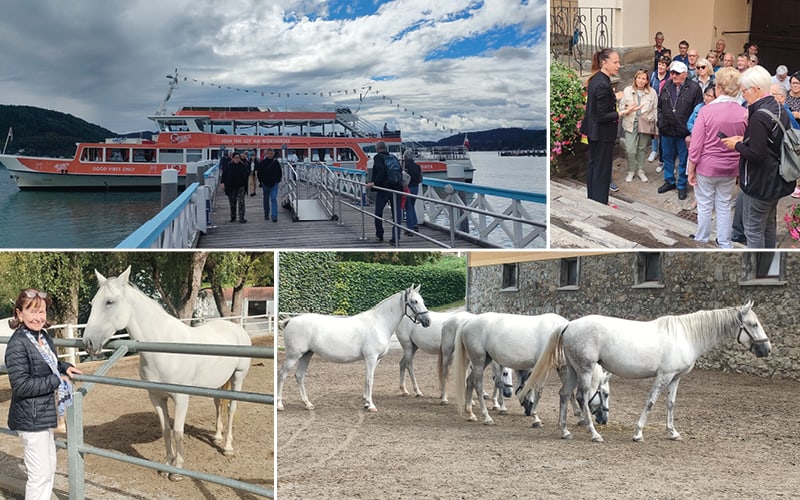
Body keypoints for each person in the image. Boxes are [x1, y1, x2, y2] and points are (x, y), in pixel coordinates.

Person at [6, 289, 81, 500]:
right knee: (39, 474)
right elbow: (21, 386)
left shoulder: (43, 337)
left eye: (42, 311)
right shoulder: (18, 344)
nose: (38, 317)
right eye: (32, 312)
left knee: (49, 469)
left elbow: (51, 364)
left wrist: (64, 367)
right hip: (30, 418)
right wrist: (57, 379)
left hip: (43, 414)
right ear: (20, 314)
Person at [722, 65, 796, 248]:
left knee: (753, 231)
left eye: (744, 90)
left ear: (756, 89)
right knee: (769, 225)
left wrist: (737, 144)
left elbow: (756, 155)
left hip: (760, 184)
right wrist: (747, 140)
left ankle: (757, 270)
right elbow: (771, 140)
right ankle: (769, 265)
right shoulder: (777, 106)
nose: (743, 94)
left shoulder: (758, 117)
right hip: (776, 179)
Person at [687, 68, 748, 248]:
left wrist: (690, 169)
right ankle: (724, 242)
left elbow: (696, 145)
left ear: (719, 87)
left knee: (705, 205)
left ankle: (702, 239)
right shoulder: (743, 113)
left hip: (707, 166)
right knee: (724, 204)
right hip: (730, 167)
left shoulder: (707, 111)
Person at [581, 48, 640, 205]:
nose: (618, 65)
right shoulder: (601, 83)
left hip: (597, 133)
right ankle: (599, 203)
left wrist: (614, 97)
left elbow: (600, 105)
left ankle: (594, 199)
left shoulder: (599, 79)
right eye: (615, 62)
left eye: (619, 62)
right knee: (601, 169)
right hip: (601, 134)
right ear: (604, 63)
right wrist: (624, 112)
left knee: (595, 166)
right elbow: (601, 116)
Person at [656, 60, 703, 201]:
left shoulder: (694, 88)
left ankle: (682, 185)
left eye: (676, 73)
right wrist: (661, 122)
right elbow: (659, 107)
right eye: (672, 72)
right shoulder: (666, 86)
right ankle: (669, 181)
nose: (673, 75)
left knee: (683, 160)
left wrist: (691, 132)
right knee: (667, 158)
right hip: (667, 129)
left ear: (685, 74)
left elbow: (698, 112)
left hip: (683, 133)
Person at [619, 69, 657, 183]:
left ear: (647, 81)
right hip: (631, 122)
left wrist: (654, 127)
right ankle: (631, 170)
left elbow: (655, 110)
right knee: (630, 149)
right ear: (635, 79)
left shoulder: (652, 92)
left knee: (642, 148)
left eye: (643, 79)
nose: (640, 81)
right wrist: (627, 109)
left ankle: (640, 170)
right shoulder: (627, 90)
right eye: (638, 78)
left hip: (646, 122)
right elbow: (621, 107)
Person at [365, 141, 403, 244]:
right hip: (397, 188)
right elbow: (400, 171)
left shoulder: (378, 157)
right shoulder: (393, 157)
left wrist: (373, 183)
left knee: (378, 212)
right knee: (397, 214)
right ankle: (396, 238)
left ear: (377, 148)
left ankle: (379, 235)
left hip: (384, 189)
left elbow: (381, 171)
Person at [648, 55, 672, 164]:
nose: (660, 67)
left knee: (661, 129)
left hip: (664, 106)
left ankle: (663, 154)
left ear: (667, 67)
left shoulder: (669, 77)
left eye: (663, 65)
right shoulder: (653, 75)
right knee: (653, 129)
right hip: (653, 105)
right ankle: (654, 150)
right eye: (659, 64)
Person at [221, 151, 249, 223]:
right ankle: (233, 217)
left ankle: (242, 217)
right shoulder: (228, 166)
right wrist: (222, 183)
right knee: (232, 203)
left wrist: (246, 186)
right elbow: (224, 176)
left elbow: (246, 175)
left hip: (241, 187)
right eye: (236, 157)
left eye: (238, 157)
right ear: (232, 158)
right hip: (231, 187)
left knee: (241, 203)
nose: (237, 159)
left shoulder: (242, 166)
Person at [256, 148, 282, 222]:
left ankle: (274, 216)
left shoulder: (276, 163)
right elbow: (259, 173)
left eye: (272, 153)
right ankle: (266, 213)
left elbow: (280, 172)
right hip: (265, 183)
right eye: (269, 153)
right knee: (266, 199)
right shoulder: (263, 163)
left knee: (273, 199)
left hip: (274, 184)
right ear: (266, 154)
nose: (271, 155)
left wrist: (278, 180)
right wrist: (261, 181)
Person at [403, 149, 422, 234]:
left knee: (408, 208)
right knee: (412, 206)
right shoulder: (417, 166)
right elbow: (420, 179)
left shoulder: (404, 166)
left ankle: (410, 228)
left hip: (408, 188)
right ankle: (415, 224)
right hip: (416, 187)